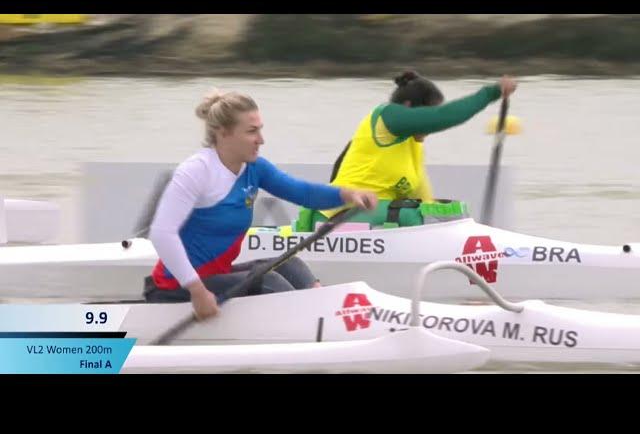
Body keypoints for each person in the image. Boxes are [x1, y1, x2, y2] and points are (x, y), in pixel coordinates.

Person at [144, 88, 377, 320]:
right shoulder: (196, 171)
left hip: (217, 276)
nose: (261, 140)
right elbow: (161, 233)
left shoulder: (254, 168)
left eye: (260, 130)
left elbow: (302, 193)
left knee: (290, 265)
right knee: (268, 281)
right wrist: (197, 290)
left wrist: (348, 195)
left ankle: (326, 316)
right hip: (176, 286)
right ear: (224, 133)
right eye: (252, 131)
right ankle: (310, 326)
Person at [307, 71, 517, 228]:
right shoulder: (385, 117)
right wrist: (491, 92)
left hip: (372, 219)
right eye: (428, 112)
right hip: (336, 217)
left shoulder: (414, 147)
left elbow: (426, 204)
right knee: (412, 215)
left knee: (446, 213)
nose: (429, 126)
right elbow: (444, 117)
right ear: (408, 107)